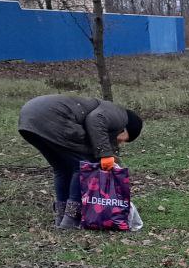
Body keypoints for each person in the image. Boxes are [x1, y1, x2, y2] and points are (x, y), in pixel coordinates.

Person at [18, 94, 143, 229]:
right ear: (126, 129)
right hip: (53, 116)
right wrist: (105, 154)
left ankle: (61, 217)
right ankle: (71, 219)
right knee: (83, 166)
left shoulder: (106, 109)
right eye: (125, 139)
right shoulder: (120, 116)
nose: (120, 142)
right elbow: (95, 119)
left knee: (62, 168)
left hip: (28, 118)